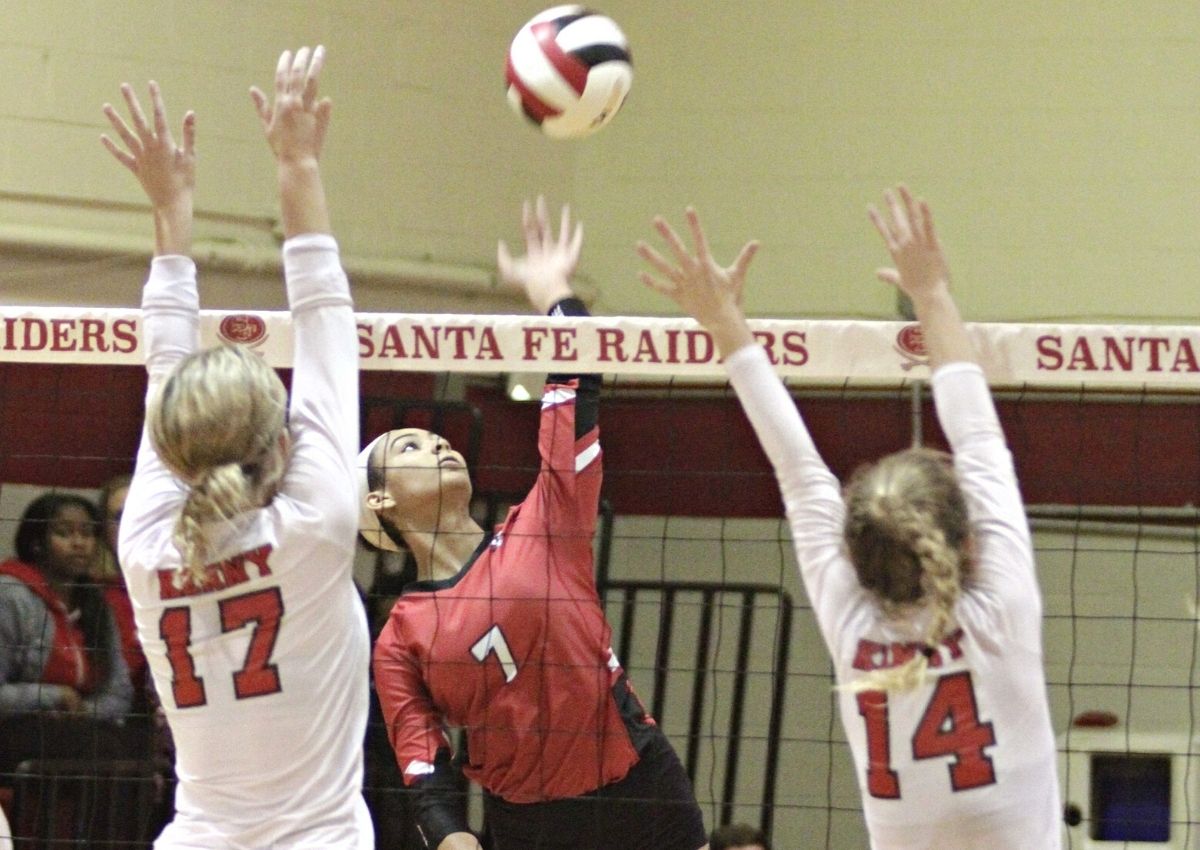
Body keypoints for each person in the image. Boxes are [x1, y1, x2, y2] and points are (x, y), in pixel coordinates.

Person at [637, 188, 1061, 849]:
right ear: (969, 542)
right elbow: (974, 436)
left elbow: (802, 474)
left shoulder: (855, 623)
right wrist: (934, 293)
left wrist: (724, 323)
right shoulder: (999, 607)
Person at [367, 197, 710, 850]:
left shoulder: (546, 519)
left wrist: (554, 293)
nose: (436, 444)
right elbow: (422, 763)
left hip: (641, 787)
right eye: (406, 449)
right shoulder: (402, 636)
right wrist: (450, 837)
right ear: (378, 504)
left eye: (436, 440)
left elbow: (576, 381)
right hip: (533, 825)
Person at [104, 46, 373, 849]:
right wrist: (295, 162)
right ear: (280, 441)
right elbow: (322, 311)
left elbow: (165, 368)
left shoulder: (148, 547)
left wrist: (169, 208)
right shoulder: (316, 525)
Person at [0, 492, 134, 775]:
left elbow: (119, 692)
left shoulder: (96, 604)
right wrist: (55, 696)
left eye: (87, 534)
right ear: (36, 543)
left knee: (134, 749)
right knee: (101, 750)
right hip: (15, 727)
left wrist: (83, 710)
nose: (79, 543)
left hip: (81, 727)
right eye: (64, 533)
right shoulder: (10, 596)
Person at [94, 473, 152, 711]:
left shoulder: (189, 585)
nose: (131, 525)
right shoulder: (90, 595)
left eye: (141, 514)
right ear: (103, 529)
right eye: (119, 517)